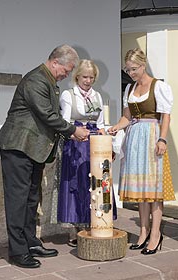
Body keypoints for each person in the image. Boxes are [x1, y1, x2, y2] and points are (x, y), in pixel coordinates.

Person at [0, 44, 90, 268]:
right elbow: (47, 115)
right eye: (66, 70)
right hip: (19, 146)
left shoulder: (49, 81)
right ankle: (18, 251)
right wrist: (72, 130)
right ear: (55, 61)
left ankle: (30, 242)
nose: (67, 74)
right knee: (18, 200)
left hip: (33, 149)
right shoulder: (37, 79)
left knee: (31, 199)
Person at [108, 48, 175, 255]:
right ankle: (143, 233)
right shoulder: (129, 88)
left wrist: (163, 139)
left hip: (153, 136)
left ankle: (156, 235)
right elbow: (127, 117)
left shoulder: (159, 86)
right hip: (135, 140)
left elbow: (165, 116)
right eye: (128, 70)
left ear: (143, 65)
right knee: (142, 192)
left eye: (134, 69)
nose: (131, 73)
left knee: (154, 191)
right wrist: (116, 127)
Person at [51, 59, 107, 247]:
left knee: (93, 183)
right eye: (85, 76)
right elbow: (64, 121)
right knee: (76, 184)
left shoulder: (97, 96)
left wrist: (104, 133)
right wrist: (76, 134)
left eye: (91, 77)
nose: (88, 80)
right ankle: (75, 231)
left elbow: (100, 123)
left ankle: (94, 223)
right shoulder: (68, 95)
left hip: (94, 145)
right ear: (77, 77)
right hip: (74, 143)